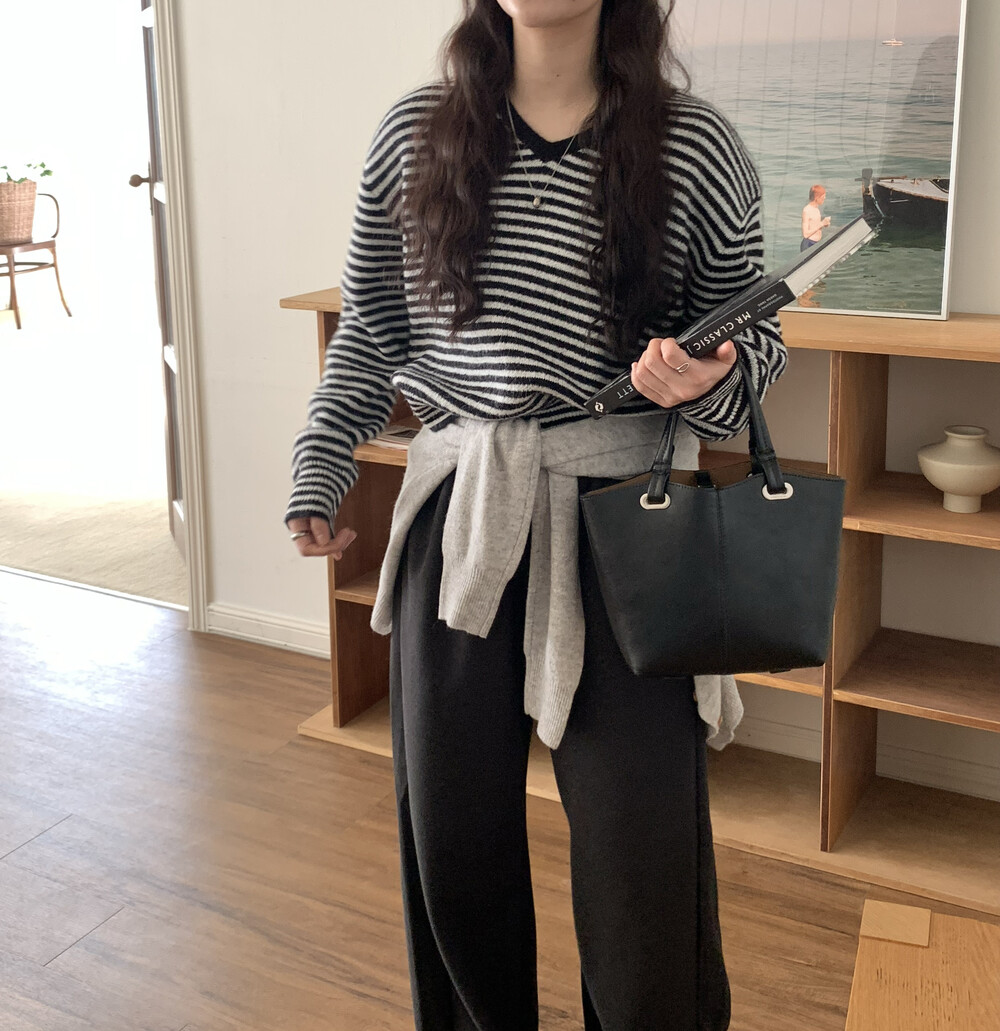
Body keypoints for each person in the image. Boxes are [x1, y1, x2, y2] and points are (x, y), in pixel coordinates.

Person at [284, 1, 787, 1027]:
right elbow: (370, 330)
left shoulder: (695, 145)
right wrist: (320, 461)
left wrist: (707, 375)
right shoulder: (414, 133)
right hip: (461, 514)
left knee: (646, 859)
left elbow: (755, 341)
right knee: (451, 845)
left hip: (631, 520)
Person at [801, 184, 831, 250]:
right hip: (809, 244)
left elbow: (815, 226)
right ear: (817, 198)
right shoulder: (807, 210)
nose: (824, 198)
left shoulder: (816, 209)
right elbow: (805, 234)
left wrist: (824, 224)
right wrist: (821, 224)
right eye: (823, 197)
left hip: (816, 243)